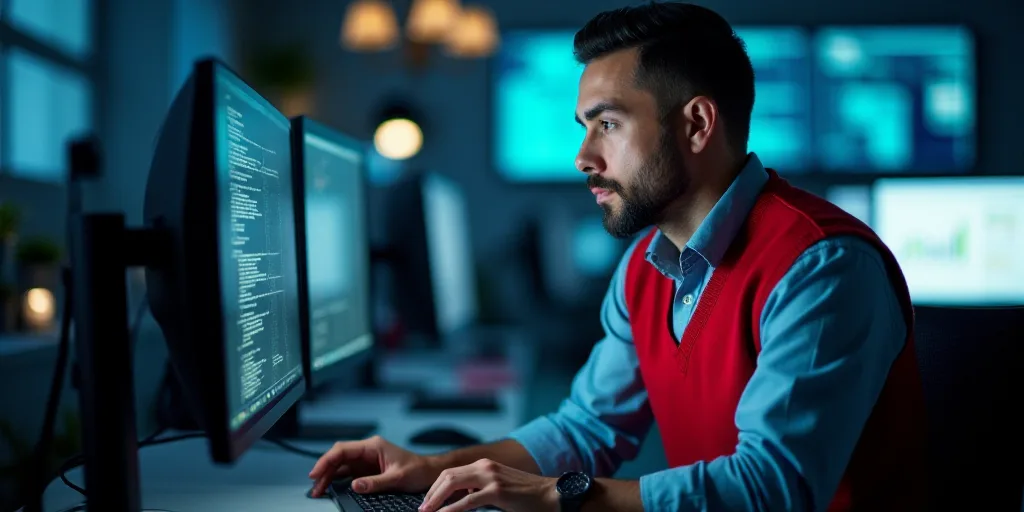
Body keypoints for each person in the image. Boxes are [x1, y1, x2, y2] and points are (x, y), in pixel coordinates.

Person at [309, 2, 928, 511]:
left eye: (606, 124)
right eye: (584, 126)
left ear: (696, 124)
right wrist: (436, 468)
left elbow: (774, 489)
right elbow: (588, 429)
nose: (582, 156)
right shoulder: (645, 267)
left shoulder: (821, 266)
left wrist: (557, 496)